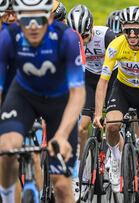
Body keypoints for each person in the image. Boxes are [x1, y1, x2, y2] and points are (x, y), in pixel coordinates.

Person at [0, 0, 85, 202]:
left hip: (60, 101)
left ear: (49, 17)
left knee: (62, 184)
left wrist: (63, 135)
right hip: (23, 97)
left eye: (39, 19)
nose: (33, 26)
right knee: (7, 149)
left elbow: (78, 94)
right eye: (26, 19)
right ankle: (6, 194)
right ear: (17, 18)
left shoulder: (67, 38)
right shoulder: (8, 38)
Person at [93, 6, 139, 203]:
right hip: (124, 89)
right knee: (111, 125)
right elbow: (103, 82)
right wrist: (97, 112)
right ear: (122, 30)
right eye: (128, 30)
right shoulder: (116, 46)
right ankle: (117, 159)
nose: (132, 34)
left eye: (136, 30)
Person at [66, 4, 117, 198]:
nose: (82, 41)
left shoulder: (107, 36)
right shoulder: (68, 41)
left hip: (111, 79)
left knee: (113, 122)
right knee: (81, 127)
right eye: (77, 37)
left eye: (85, 36)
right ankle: (79, 172)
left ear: (92, 28)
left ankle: (115, 157)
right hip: (88, 80)